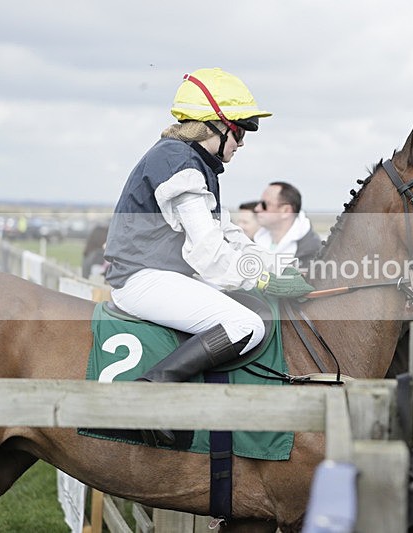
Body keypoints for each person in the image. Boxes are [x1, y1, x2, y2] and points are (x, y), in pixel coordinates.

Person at [104, 68, 314, 445]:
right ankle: (150, 392)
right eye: (241, 131)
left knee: (253, 307)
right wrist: (262, 279)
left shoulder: (193, 163)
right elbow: (210, 255)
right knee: (246, 325)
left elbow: (230, 236)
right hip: (141, 279)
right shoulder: (179, 165)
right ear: (216, 126)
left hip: (159, 274)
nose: (243, 142)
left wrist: (279, 268)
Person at [253, 181, 322, 266]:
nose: (257, 208)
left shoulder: (313, 251)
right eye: (258, 203)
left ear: (286, 211)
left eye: (264, 205)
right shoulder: (254, 241)